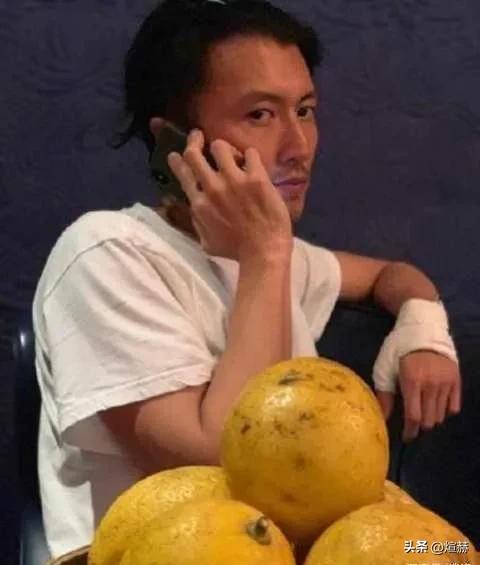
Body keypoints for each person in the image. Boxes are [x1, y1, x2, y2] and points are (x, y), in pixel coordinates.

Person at [32, 0, 461, 557]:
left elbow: (389, 274)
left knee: (451, 554)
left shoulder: (271, 256)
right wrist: (266, 256)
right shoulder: (107, 253)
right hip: (166, 551)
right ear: (174, 142)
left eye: (304, 110)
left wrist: (423, 326)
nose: (298, 147)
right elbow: (228, 470)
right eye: (260, 115)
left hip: (328, 546)